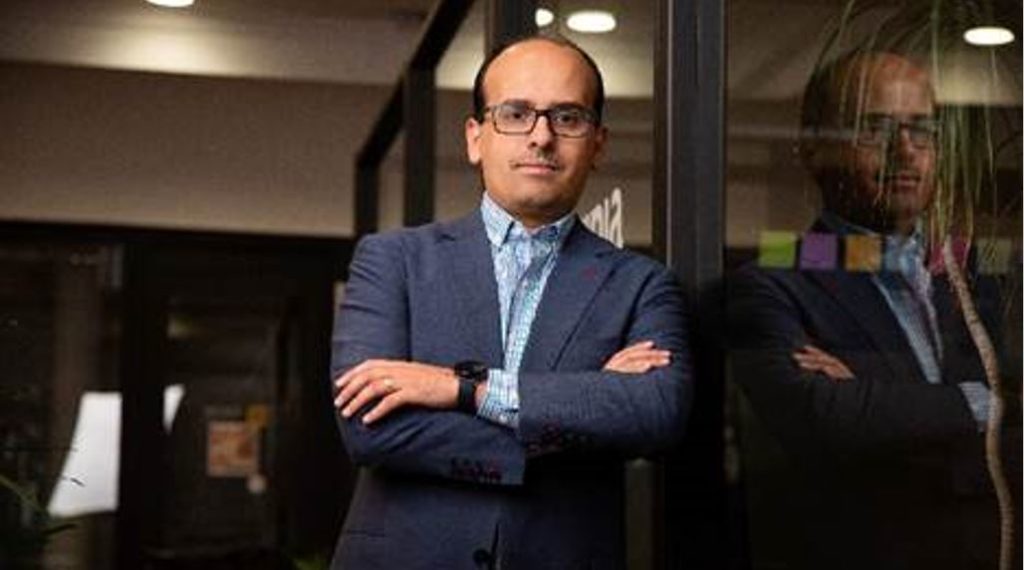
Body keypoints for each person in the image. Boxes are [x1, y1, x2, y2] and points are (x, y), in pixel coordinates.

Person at [329, 36, 693, 569]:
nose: (542, 136)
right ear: (476, 138)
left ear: (598, 144)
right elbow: (368, 426)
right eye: (516, 114)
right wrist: (579, 413)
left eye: (567, 117)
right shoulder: (392, 261)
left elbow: (655, 412)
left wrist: (466, 389)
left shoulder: (641, 284)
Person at [728, 51, 1019, 569]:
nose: (904, 151)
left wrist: (875, 391)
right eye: (874, 129)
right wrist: (991, 405)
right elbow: (824, 418)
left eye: (921, 130)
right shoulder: (770, 283)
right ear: (813, 150)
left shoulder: (988, 277)